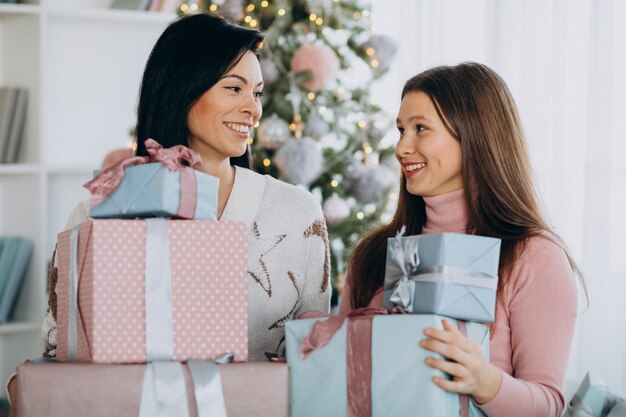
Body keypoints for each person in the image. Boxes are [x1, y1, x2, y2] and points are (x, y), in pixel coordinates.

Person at [43, 13, 331, 362]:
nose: (252, 108)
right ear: (182, 89)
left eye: (256, 93)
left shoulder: (297, 213)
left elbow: (316, 352)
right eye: (234, 88)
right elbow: (60, 349)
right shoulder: (101, 214)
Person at [339, 62, 582, 417]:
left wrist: (486, 382)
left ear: (474, 137)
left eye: (420, 129)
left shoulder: (533, 255)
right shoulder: (374, 254)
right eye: (401, 130)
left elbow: (547, 405)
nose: (402, 147)